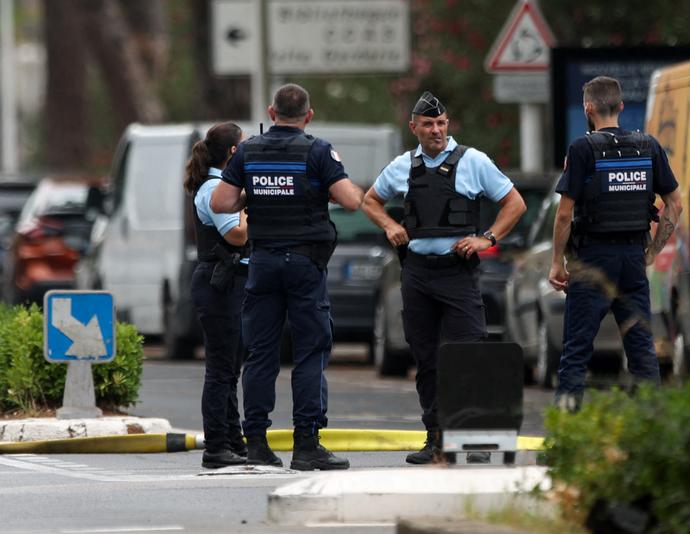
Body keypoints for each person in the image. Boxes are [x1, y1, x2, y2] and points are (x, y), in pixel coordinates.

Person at [360, 91, 526, 465]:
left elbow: (514, 203)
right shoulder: (402, 165)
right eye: (428, 124)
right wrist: (390, 225)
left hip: (457, 272)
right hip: (417, 274)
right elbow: (370, 200)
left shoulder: (474, 161)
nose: (436, 130)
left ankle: (473, 439)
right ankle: (435, 438)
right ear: (414, 127)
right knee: (427, 359)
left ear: (448, 124)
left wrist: (487, 238)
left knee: (468, 354)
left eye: (441, 123)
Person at [211, 84, 364, 471]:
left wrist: (253, 194)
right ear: (308, 116)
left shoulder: (248, 151)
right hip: (304, 265)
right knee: (310, 351)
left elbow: (221, 203)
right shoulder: (318, 150)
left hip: (262, 262)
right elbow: (351, 200)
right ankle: (307, 444)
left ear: (271, 111)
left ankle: (257, 443)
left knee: (261, 353)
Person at [547, 76, 681, 411]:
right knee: (641, 348)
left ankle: (567, 430)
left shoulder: (582, 149)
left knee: (576, 350)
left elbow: (564, 215)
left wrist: (556, 262)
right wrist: (652, 251)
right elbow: (675, 203)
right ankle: (651, 428)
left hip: (593, 260)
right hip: (633, 259)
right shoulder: (649, 146)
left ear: (588, 108)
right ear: (621, 106)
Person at [184, 122, 250, 469]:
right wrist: (248, 206)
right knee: (221, 369)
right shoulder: (214, 188)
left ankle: (232, 440)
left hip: (227, 283)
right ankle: (216, 446)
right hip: (219, 284)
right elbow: (237, 235)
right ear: (234, 153)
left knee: (230, 367)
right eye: (246, 146)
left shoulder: (220, 185)